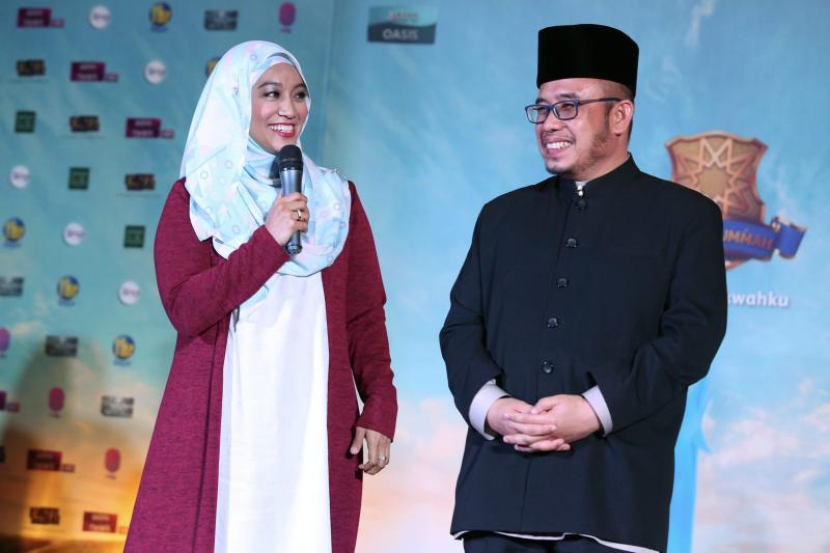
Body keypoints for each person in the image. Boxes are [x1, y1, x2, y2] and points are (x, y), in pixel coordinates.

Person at [440, 24, 727, 553]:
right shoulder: (501, 217)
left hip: (613, 500)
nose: (550, 123)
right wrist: (492, 407)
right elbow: (461, 327)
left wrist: (595, 409)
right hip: (497, 494)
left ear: (620, 115)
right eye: (542, 108)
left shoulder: (685, 218)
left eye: (568, 106)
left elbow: (692, 339)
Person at [126, 41, 397, 553]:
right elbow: (187, 309)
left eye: (299, 95)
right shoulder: (198, 197)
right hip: (229, 415)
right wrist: (268, 241)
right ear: (235, 100)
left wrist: (380, 406)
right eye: (270, 93)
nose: (288, 109)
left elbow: (364, 317)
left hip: (311, 415)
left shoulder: (336, 200)